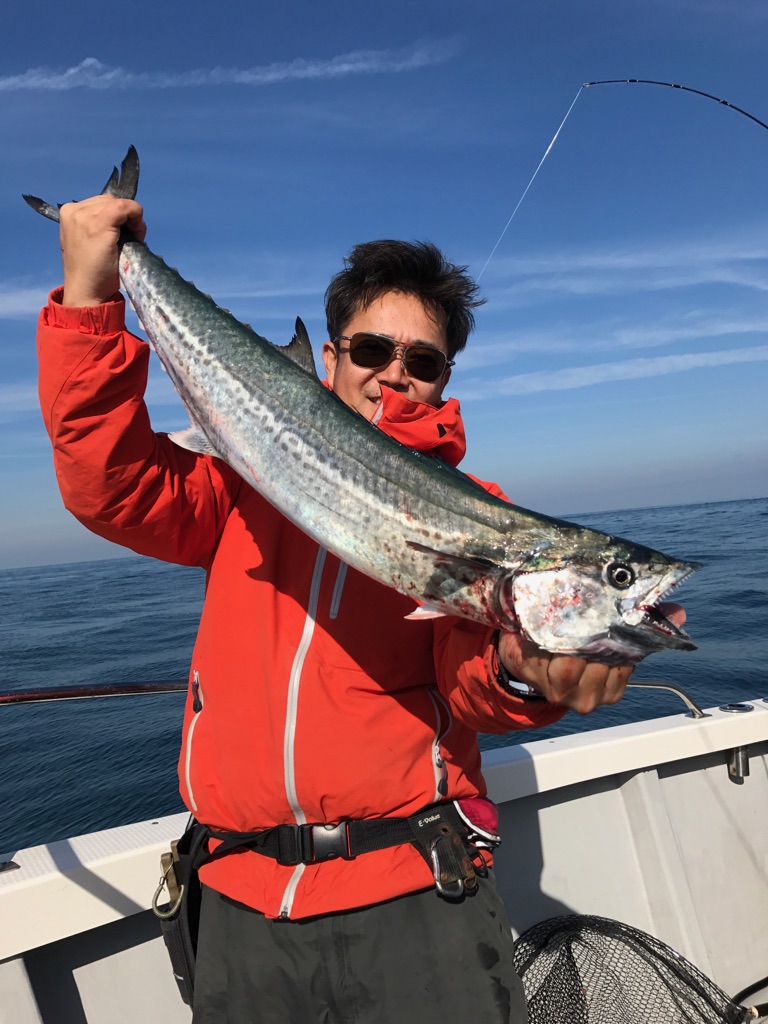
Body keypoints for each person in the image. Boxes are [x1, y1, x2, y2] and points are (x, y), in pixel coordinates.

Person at [36, 193, 658, 1023]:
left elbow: (473, 684)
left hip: (414, 892)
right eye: (372, 349)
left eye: (423, 361)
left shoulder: (483, 514)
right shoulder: (237, 483)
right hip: (240, 898)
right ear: (329, 357)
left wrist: (522, 670)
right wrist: (91, 301)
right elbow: (109, 486)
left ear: (444, 380)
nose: (396, 373)